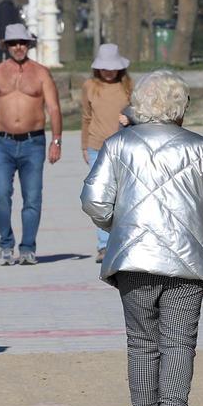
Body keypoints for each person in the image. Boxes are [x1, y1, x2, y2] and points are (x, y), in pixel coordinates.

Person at [81, 70, 203, 406]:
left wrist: (120, 224)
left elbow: (93, 200)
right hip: (187, 262)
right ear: (180, 108)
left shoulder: (118, 145)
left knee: (140, 341)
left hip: (133, 260)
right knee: (178, 341)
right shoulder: (199, 147)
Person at [0, 24, 62, 265]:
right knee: (1, 194)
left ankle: (27, 248)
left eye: (23, 42)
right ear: (7, 46)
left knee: (32, 197)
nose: (19, 47)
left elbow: (53, 107)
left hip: (34, 143)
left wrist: (56, 140)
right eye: (14, 43)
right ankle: (6, 244)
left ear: (29, 44)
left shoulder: (42, 73)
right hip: (2, 143)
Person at [80, 43, 134, 262]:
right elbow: (86, 117)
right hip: (97, 147)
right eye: (105, 67)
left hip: (124, 147)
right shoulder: (89, 86)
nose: (109, 71)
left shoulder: (128, 86)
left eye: (112, 67)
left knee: (123, 197)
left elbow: (139, 112)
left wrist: (130, 118)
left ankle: (122, 241)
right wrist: (84, 146)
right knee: (101, 198)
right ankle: (103, 245)